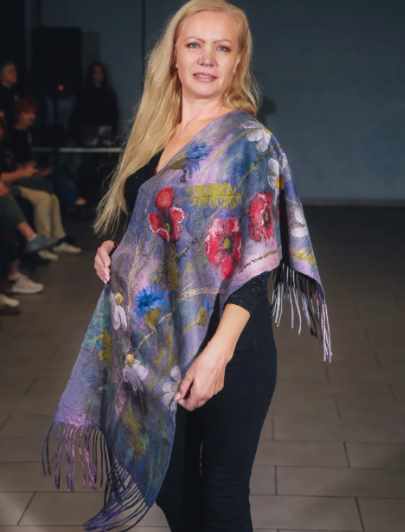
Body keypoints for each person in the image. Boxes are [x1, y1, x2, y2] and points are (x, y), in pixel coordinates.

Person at [42, 2, 332, 532]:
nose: (206, 58)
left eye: (222, 47)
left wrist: (217, 355)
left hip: (229, 345)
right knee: (173, 490)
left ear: (238, 61)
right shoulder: (155, 133)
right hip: (157, 344)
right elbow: (144, 216)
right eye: (194, 44)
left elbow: (257, 263)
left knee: (222, 497)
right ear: (173, 55)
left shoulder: (249, 144)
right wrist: (113, 246)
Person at [0, 102, 82, 258]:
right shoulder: (12, 139)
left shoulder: (8, 143)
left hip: (14, 182)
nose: (32, 116)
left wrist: (25, 169)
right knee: (45, 196)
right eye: (27, 112)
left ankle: (57, 240)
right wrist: (23, 172)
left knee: (52, 197)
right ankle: (42, 246)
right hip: (13, 184)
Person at [0, 60, 19, 130]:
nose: (15, 73)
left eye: (15, 70)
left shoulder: (15, 91)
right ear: (1, 76)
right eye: (10, 71)